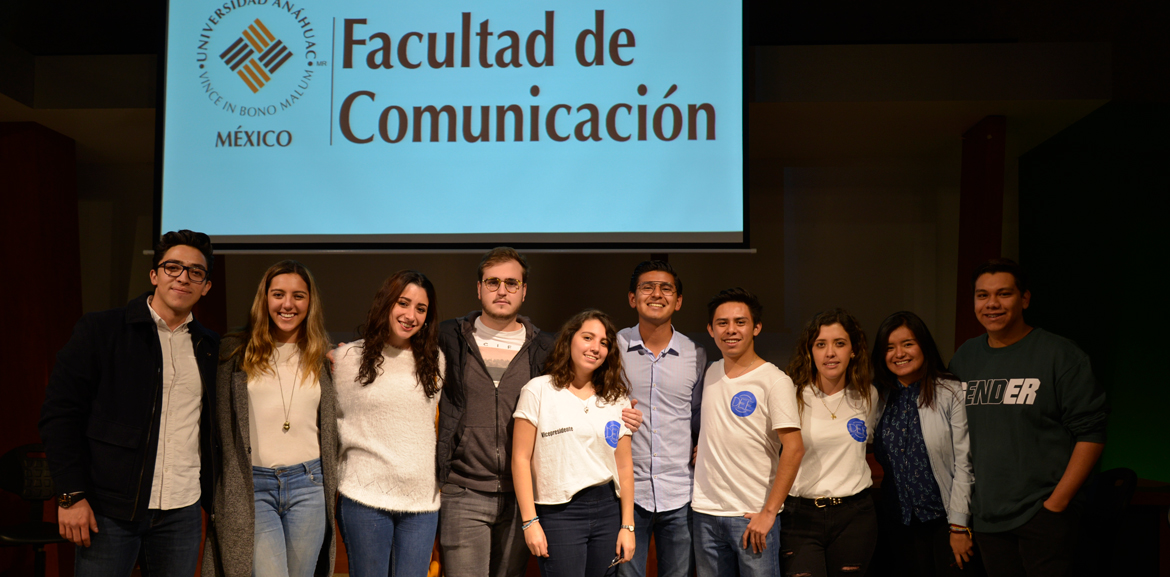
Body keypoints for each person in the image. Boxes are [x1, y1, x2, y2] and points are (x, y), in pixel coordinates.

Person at [437, 247, 643, 577]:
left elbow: (579, 396)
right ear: (478, 288)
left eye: (512, 283)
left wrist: (622, 411)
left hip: (525, 495)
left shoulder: (542, 346)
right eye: (493, 282)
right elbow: (400, 346)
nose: (502, 290)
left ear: (524, 291)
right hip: (466, 491)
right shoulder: (449, 337)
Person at [39, 230, 219, 577]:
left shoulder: (210, 346)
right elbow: (59, 416)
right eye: (172, 267)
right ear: (154, 275)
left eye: (195, 272)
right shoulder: (102, 330)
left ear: (206, 286)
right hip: (108, 510)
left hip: (181, 511)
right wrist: (70, 495)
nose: (183, 277)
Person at [948, 259, 1108, 577]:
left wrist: (1056, 505)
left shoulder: (1060, 354)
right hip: (987, 517)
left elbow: (1091, 433)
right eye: (982, 295)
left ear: (1024, 299)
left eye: (1003, 294)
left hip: (1043, 514)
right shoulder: (965, 357)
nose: (991, 304)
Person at [203, 260, 338, 577]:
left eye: (298, 296)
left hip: (309, 485)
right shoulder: (234, 352)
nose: (288, 304)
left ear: (310, 302)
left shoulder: (322, 355)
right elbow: (216, 425)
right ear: (264, 300)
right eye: (278, 294)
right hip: (253, 487)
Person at [332, 270, 445, 577]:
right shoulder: (345, 359)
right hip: (364, 498)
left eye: (420, 309)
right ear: (386, 303)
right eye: (403, 303)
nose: (411, 315)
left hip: (421, 501)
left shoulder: (436, 361)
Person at [512, 310, 636, 577]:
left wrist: (628, 526)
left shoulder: (616, 397)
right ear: (569, 340)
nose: (596, 348)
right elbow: (520, 459)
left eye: (604, 342)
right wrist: (529, 521)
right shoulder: (538, 390)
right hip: (559, 512)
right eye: (588, 337)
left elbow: (624, 466)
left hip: (607, 509)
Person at [692, 288, 804, 577]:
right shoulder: (711, 372)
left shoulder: (774, 380)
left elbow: (794, 448)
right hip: (705, 512)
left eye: (740, 322)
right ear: (711, 329)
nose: (731, 330)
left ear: (756, 327)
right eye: (722, 323)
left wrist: (768, 514)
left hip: (752, 516)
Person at [616, 261, 706, 577]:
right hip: (627, 493)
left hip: (681, 493)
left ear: (678, 301)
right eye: (647, 287)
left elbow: (699, 416)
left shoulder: (696, 353)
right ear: (632, 298)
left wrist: (704, 446)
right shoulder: (612, 348)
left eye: (666, 288)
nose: (657, 294)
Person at [871, 311, 974, 577]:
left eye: (908, 344)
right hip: (897, 521)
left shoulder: (950, 391)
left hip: (945, 521)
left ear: (923, 346)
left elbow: (964, 462)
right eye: (889, 347)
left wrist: (959, 526)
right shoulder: (878, 396)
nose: (899, 353)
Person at [781, 308, 879, 577]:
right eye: (820, 345)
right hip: (800, 515)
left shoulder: (868, 395)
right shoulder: (791, 394)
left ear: (854, 349)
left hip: (855, 517)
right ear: (810, 351)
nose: (830, 353)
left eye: (839, 343)